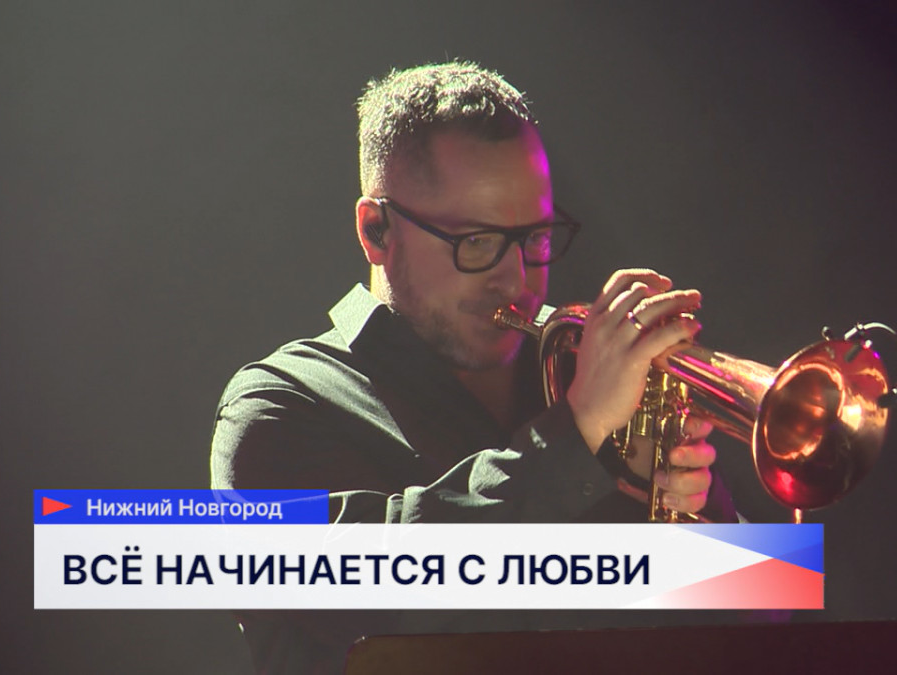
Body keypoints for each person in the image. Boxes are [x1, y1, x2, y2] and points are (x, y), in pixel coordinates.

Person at [210, 61, 739, 674]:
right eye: (477, 242)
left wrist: (688, 507)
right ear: (376, 230)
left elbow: (769, 620)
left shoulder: (575, 385)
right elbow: (382, 604)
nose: (517, 280)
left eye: (536, 238)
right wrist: (574, 435)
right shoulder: (275, 407)